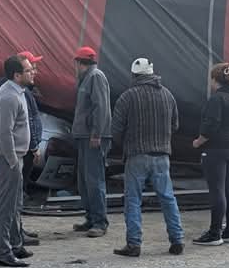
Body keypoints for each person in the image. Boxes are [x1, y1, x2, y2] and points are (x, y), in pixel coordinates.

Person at [110, 58, 184, 257]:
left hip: (136, 156)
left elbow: (116, 130)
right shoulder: (167, 95)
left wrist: (126, 144)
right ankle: (177, 240)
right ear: (152, 73)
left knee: (133, 200)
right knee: (167, 198)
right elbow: (175, 125)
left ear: (134, 75)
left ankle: (134, 244)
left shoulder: (127, 97)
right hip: (162, 155)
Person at [192, 62, 229, 246]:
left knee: (217, 190)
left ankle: (215, 233)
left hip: (216, 149)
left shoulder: (217, 99)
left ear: (216, 80)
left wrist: (199, 141)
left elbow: (211, 125)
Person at [0, 55, 34, 267]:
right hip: (9, 158)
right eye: (28, 70)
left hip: (16, 156)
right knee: (6, 207)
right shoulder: (9, 97)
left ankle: (16, 245)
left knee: (15, 204)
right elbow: (4, 132)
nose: (33, 73)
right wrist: (12, 161)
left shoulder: (18, 92)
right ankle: (3, 252)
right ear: (17, 75)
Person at [71, 46, 112, 238]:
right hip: (84, 136)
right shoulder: (86, 78)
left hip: (92, 138)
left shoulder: (95, 77)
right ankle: (91, 218)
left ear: (79, 62)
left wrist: (97, 134)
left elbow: (100, 106)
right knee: (84, 181)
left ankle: (99, 222)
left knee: (94, 180)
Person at [17, 50, 44, 245]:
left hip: (26, 148)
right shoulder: (20, 94)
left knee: (21, 189)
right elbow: (27, 122)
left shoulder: (26, 92)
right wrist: (34, 146)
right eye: (30, 68)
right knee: (17, 191)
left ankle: (18, 227)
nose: (35, 70)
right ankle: (16, 231)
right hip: (24, 149)